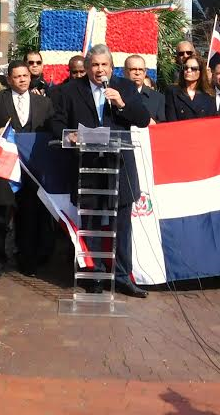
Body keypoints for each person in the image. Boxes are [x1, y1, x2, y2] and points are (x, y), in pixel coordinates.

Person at [51, 44, 150, 296]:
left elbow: (142, 119)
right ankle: (94, 276)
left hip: (120, 168)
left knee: (122, 227)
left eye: (104, 65)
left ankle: (121, 276)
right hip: (88, 169)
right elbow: (56, 121)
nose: (99, 70)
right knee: (92, 224)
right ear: (86, 67)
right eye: (94, 65)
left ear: (111, 66)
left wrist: (121, 103)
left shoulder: (125, 87)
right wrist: (69, 134)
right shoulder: (70, 90)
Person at [0, 61, 55, 276]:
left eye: (25, 76)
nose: (23, 79)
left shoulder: (43, 103)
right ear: (9, 79)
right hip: (5, 167)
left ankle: (28, 260)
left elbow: (52, 129)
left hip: (32, 169)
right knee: (0, 216)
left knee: (30, 216)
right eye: (17, 76)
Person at [123, 54, 165, 122]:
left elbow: (164, 126)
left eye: (141, 69)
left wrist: (154, 124)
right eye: (133, 69)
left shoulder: (158, 98)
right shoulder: (116, 95)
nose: (137, 73)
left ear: (145, 72)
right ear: (125, 71)